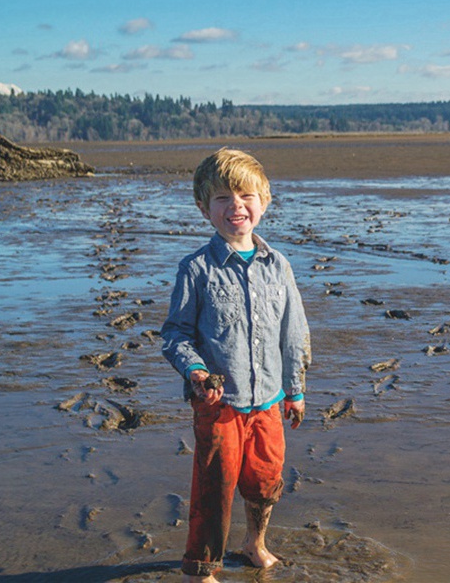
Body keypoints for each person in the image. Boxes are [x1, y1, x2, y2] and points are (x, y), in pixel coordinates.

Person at [161, 148, 311, 582]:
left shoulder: (278, 265)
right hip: (218, 403)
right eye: (222, 198)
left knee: (265, 481)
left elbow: (294, 333)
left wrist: (295, 389)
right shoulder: (196, 269)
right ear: (204, 207)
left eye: (246, 195)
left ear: (264, 202)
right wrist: (195, 371)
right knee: (215, 488)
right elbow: (174, 334)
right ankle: (202, 569)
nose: (236, 206)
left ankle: (255, 542)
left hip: (268, 400)